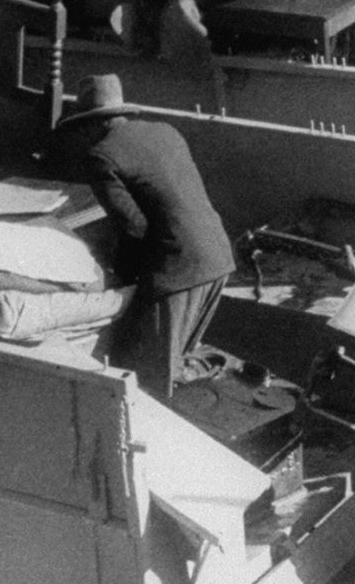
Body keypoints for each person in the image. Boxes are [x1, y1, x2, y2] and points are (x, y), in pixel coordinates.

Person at [65, 75, 236, 397]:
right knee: (178, 360)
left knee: (148, 378)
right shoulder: (166, 132)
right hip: (218, 258)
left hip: (179, 270)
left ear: (90, 124)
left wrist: (119, 276)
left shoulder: (100, 154)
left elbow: (133, 228)